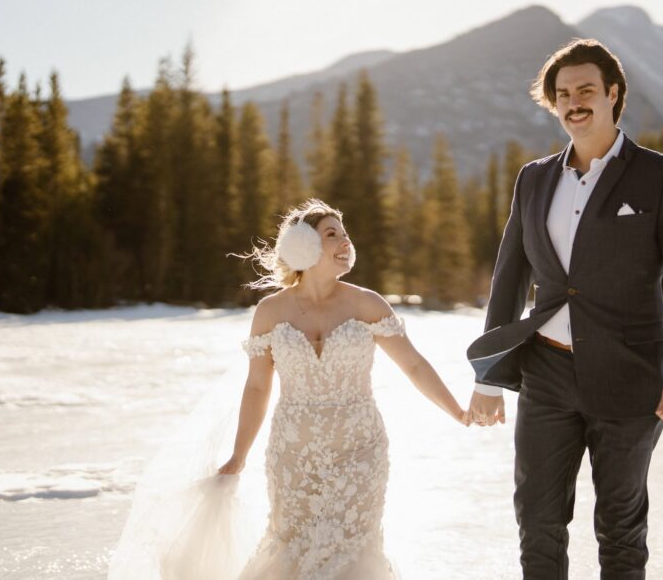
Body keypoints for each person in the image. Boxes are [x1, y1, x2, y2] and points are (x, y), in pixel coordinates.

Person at [109, 198, 469, 580]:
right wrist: (239, 454)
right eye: (332, 234)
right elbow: (257, 387)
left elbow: (413, 365)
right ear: (303, 246)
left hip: (360, 450)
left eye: (345, 234)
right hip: (292, 455)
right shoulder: (270, 311)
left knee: (351, 547)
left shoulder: (367, 304)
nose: (345, 242)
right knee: (292, 545)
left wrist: (457, 410)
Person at [467, 39, 663, 579]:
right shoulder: (533, 179)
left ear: (613, 94)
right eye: (563, 94)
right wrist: (488, 377)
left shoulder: (660, 174)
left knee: (620, 526)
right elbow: (511, 277)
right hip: (546, 372)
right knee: (537, 520)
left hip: (631, 375)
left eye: (586, 91)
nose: (574, 102)